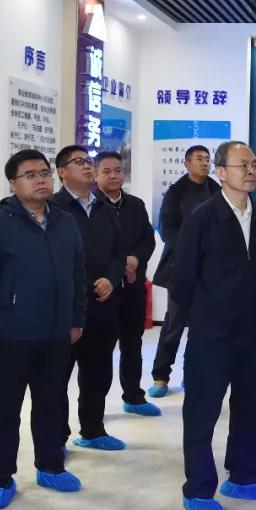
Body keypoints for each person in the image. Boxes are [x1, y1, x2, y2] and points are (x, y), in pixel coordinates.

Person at [0, 150, 87, 510]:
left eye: (43, 173)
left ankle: (50, 467)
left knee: (51, 405)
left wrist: (76, 320)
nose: (40, 180)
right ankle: (0, 478)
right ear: (13, 184)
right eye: (30, 175)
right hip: (11, 335)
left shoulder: (66, 222)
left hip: (56, 334)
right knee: (5, 411)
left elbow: (78, 276)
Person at [174, 141, 256, 510]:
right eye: (243, 165)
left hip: (251, 326)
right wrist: (199, 321)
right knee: (202, 410)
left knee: (248, 403)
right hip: (211, 330)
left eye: (255, 165)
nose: (252, 171)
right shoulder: (202, 218)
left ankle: (245, 476)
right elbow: (182, 279)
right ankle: (198, 488)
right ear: (221, 172)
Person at [52, 145, 126, 451]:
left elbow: (118, 251)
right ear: (62, 172)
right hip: (66, 307)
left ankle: (93, 430)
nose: (87, 166)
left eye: (88, 161)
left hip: (102, 304)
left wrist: (110, 278)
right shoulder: (53, 208)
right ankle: (55, 439)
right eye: (78, 162)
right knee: (56, 377)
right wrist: (85, 284)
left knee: (98, 371)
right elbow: (54, 258)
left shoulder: (103, 207)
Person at [149, 145, 221, 397]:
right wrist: (190, 250)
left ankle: (192, 374)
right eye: (199, 159)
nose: (205, 163)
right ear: (187, 163)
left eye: (207, 159)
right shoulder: (176, 192)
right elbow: (166, 229)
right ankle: (160, 376)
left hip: (209, 267)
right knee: (175, 322)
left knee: (203, 324)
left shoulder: (216, 190)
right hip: (180, 266)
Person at [94, 152, 159, 417]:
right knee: (100, 352)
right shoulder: (91, 206)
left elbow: (147, 239)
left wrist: (136, 259)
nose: (113, 175)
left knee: (133, 345)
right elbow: (94, 247)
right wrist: (122, 263)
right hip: (103, 291)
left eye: (118, 170)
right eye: (106, 171)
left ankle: (133, 397)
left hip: (133, 287)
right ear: (96, 174)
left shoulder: (135, 205)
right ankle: (94, 411)